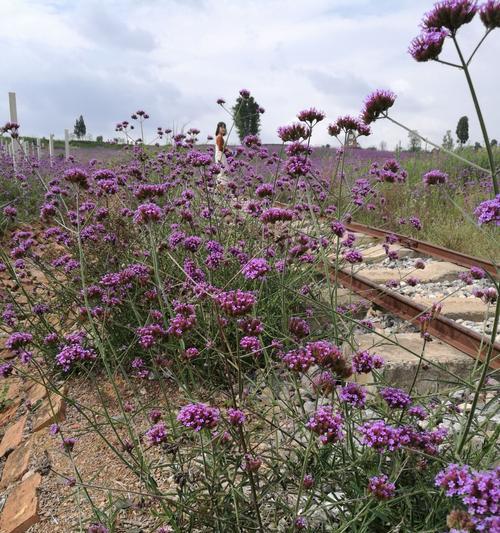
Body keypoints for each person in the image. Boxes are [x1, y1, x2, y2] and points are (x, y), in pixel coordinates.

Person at [214, 121, 228, 188]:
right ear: (218, 128)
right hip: (221, 156)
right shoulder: (219, 137)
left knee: (222, 173)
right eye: (221, 127)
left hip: (220, 156)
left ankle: (220, 192)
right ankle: (220, 191)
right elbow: (220, 148)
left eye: (224, 127)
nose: (223, 129)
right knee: (222, 173)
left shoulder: (219, 137)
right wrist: (229, 151)